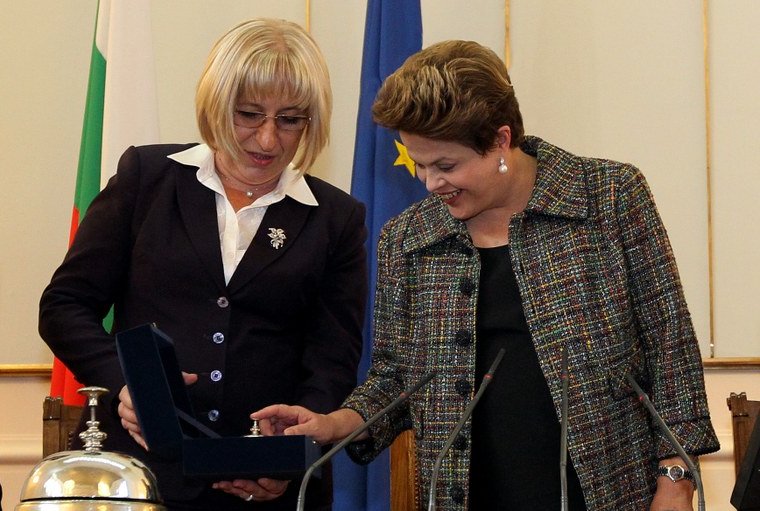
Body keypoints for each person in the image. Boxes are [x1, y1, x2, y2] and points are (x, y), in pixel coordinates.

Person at [252, 40, 721, 510]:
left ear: (500, 140)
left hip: (609, 492)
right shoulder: (408, 238)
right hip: (466, 494)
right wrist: (332, 423)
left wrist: (675, 478)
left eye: (446, 165)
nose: (430, 182)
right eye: (419, 164)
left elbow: (670, 347)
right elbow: (396, 381)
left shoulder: (608, 197)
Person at [39, 18, 367, 511]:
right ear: (216, 104)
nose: (268, 140)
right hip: (139, 477)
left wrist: (289, 458)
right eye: (249, 114)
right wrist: (127, 384)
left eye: (290, 120)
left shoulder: (335, 217)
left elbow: (332, 359)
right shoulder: (147, 178)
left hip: (268, 486)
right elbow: (64, 307)